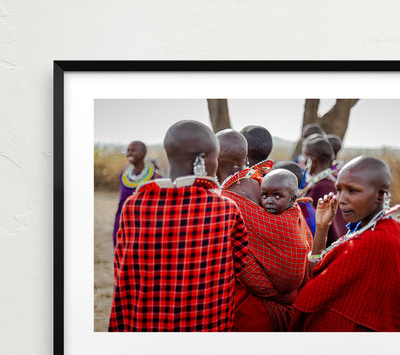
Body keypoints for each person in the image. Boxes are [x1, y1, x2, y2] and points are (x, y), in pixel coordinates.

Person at [109, 121, 279, 332]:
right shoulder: (224, 209)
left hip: (146, 323)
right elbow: (239, 264)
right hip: (203, 324)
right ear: (204, 159)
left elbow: (121, 268)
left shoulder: (134, 206)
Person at [289, 156, 400, 332]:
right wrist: (322, 227)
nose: (342, 199)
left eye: (352, 191)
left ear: (381, 196)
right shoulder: (361, 229)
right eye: (339, 190)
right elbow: (315, 274)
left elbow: (312, 289)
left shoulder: (377, 241)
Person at [221, 166, 312, 331]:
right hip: (276, 302)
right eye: (265, 196)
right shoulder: (258, 215)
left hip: (278, 298)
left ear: (293, 200)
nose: (270, 201)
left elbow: (301, 250)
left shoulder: (293, 218)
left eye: (278, 196)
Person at [299, 134, 346, 245]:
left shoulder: (321, 187)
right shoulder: (328, 182)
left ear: (311, 160)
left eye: (305, 159)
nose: (304, 163)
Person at [113, 141, 161, 247]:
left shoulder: (155, 174)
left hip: (143, 221)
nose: (129, 153)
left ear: (144, 153)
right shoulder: (124, 173)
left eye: (133, 150)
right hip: (122, 218)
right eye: (128, 151)